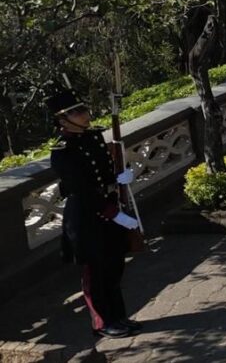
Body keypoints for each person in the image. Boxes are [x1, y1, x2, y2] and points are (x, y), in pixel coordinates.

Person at [47, 87, 141, 339]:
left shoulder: (94, 137)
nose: (85, 114)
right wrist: (113, 213)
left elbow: (104, 171)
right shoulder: (62, 151)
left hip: (109, 210)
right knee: (96, 273)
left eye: (84, 109)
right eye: (77, 112)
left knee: (115, 266)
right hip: (86, 216)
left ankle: (118, 316)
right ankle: (102, 322)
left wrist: (120, 176)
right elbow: (81, 189)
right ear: (62, 119)